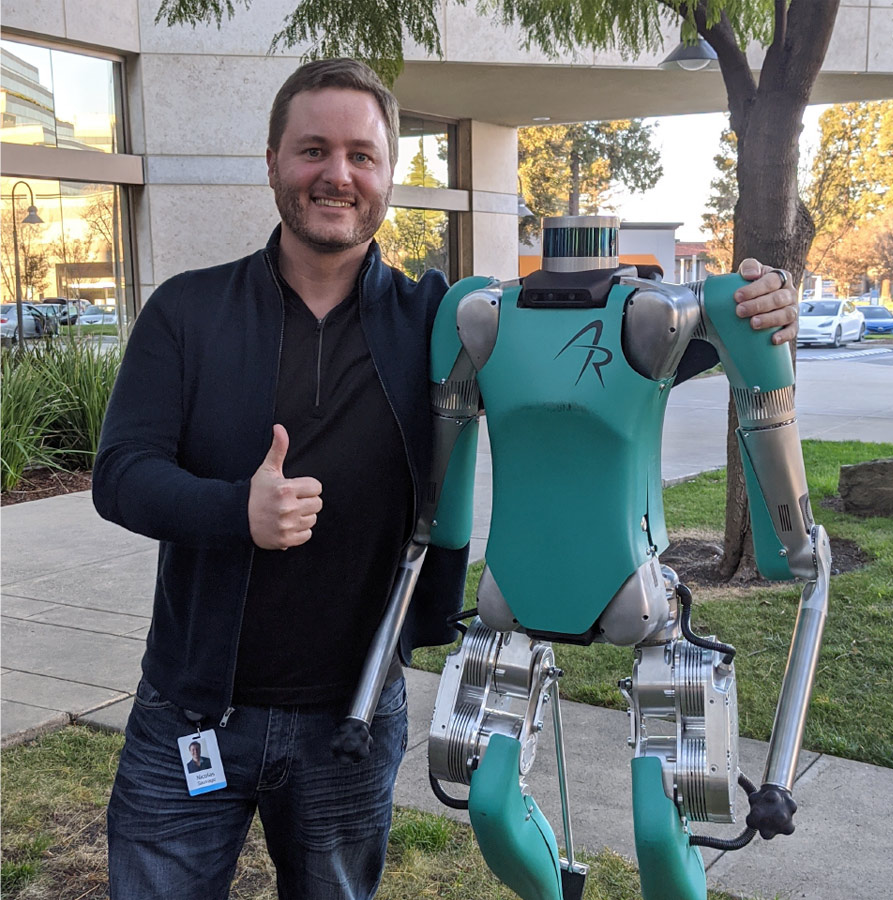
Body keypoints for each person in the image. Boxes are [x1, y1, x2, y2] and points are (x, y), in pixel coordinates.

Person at [92, 58, 799, 900]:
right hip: (193, 714)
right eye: (312, 149)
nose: (337, 174)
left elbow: (629, 362)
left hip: (349, 722)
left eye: (361, 154)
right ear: (274, 160)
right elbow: (120, 476)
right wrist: (234, 510)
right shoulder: (187, 311)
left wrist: (764, 311)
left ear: (390, 173)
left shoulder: (440, 321)